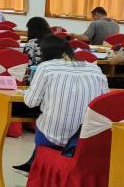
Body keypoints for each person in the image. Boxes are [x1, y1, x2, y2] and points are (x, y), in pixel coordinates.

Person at [13, 35, 107, 174]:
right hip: (87, 136)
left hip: (53, 137)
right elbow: (103, 102)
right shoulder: (95, 68)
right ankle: (32, 164)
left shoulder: (46, 67)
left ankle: (38, 167)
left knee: (45, 119)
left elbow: (31, 102)